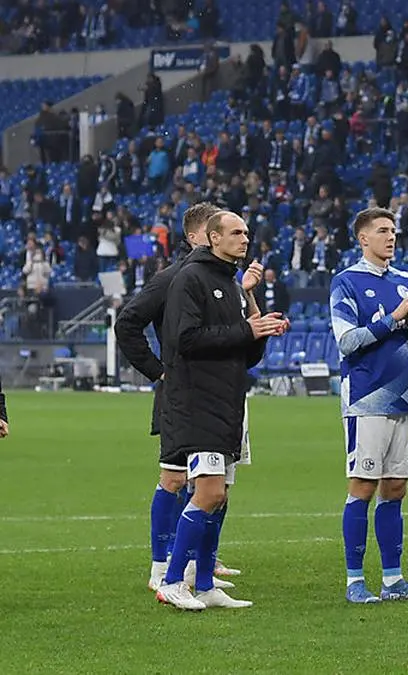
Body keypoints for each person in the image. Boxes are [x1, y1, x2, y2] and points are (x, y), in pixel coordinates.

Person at [155, 211, 288, 611]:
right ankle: (174, 581)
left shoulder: (230, 284)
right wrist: (246, 331)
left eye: (246, 232)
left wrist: (259, 332)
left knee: (220, 495)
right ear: (212, 238)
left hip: (228, 400)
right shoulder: (190, 279)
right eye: (235, 233)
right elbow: (186, 339)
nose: (244, 239)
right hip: (199, 402)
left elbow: (242, 352)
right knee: (208, 490)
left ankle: (208, 583)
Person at [114, 202, 247, 592]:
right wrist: (158, 371)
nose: (232, 238)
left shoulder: (225, 278)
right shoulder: (173, 278)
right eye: (217, 230)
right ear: (197, 237)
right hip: (185, 394)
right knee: (175, 478)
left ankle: (197, 567)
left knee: (217, 483)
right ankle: (163, 566)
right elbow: (128, 323)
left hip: (224, 391)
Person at [330, 207, 408, 604]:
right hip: (365, 399)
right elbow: (346, 341)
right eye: (382, 231)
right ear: (363, 239)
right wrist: (393, 318)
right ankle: (355, 580)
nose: (391, 237)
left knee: (395, 488)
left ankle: (393, 580)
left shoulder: (405, 282)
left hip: (402, 400)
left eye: (393, 231)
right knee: (362, 487)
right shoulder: (345, 283)